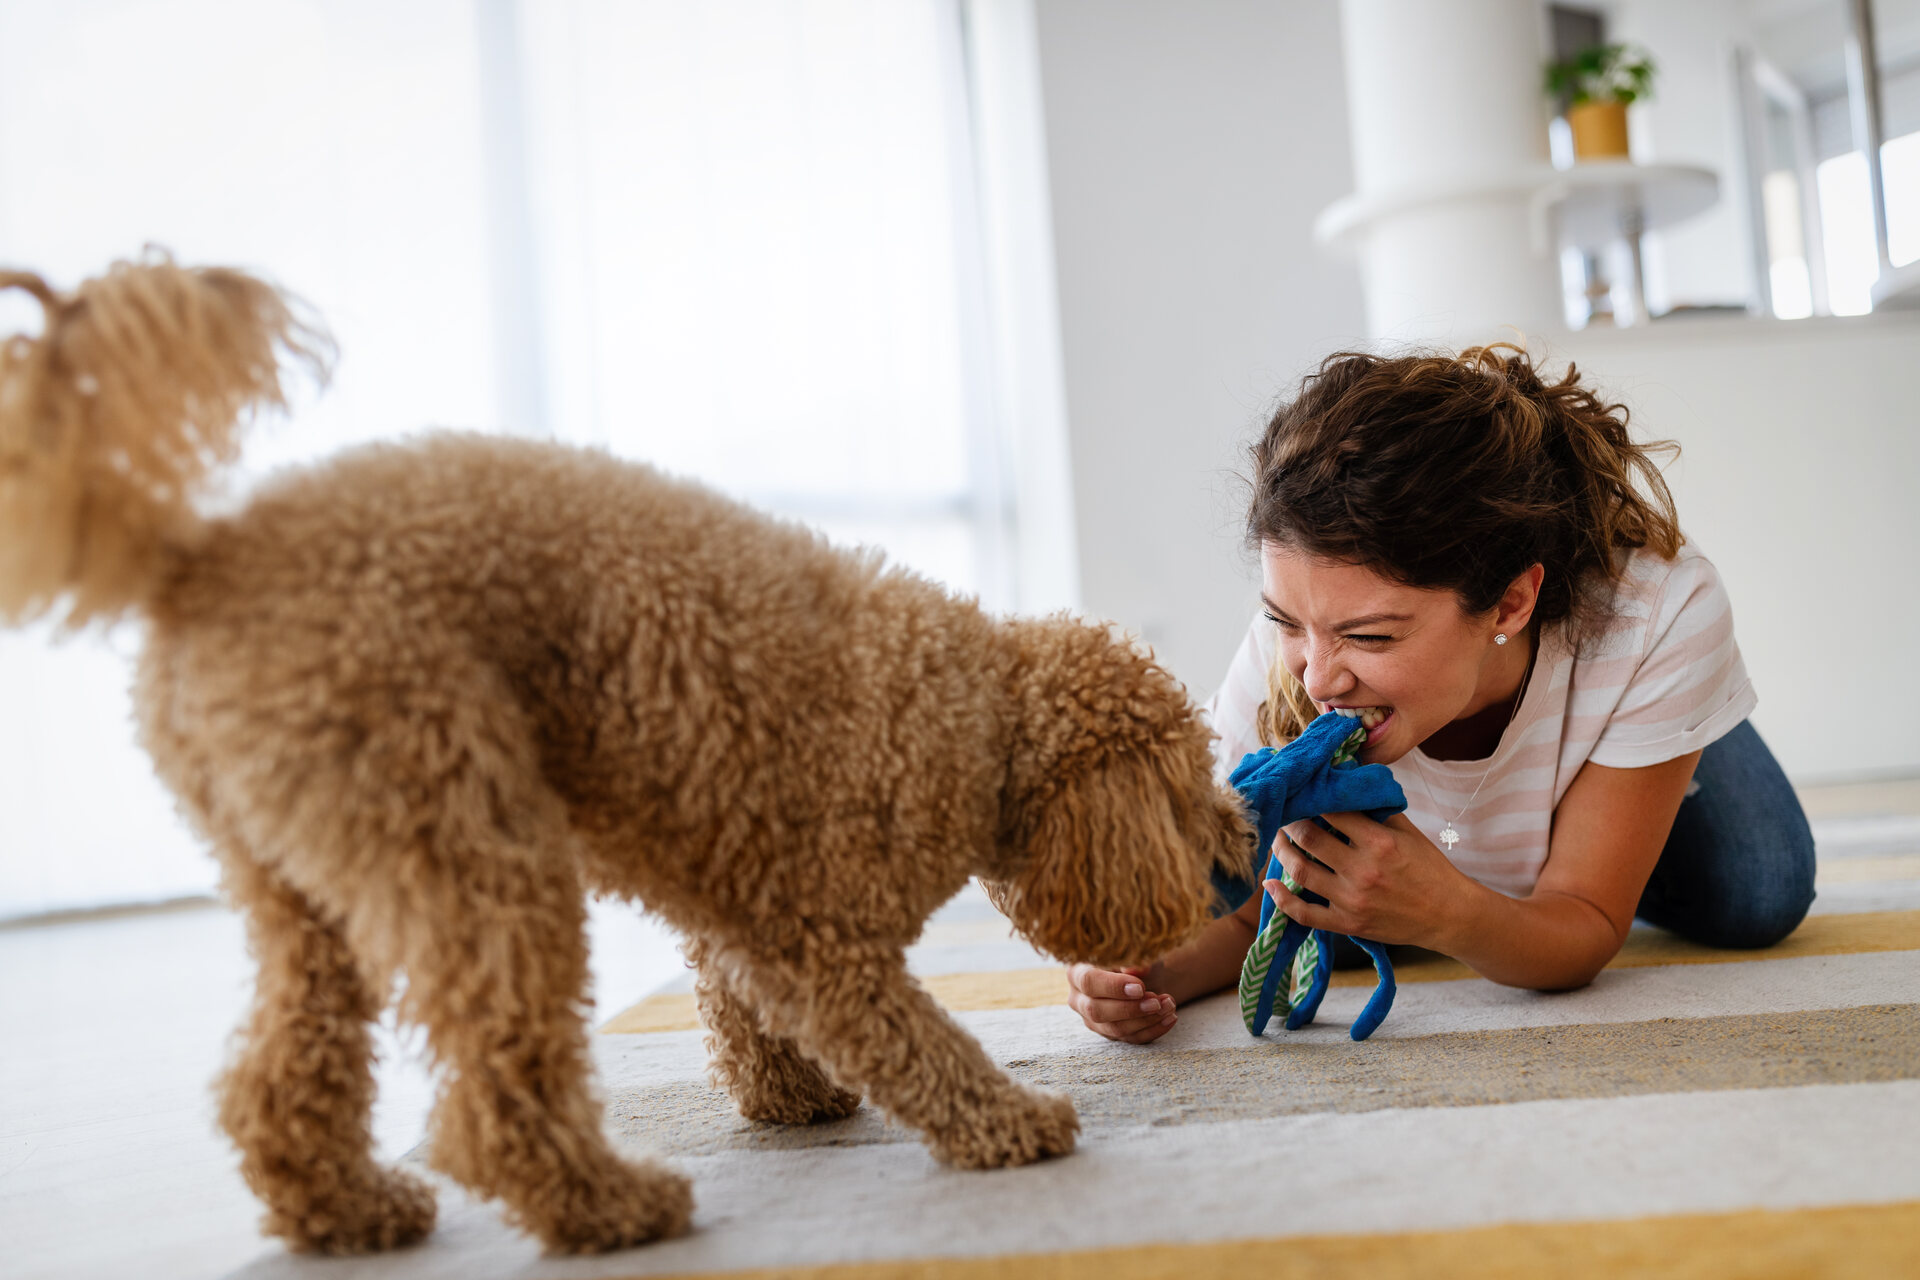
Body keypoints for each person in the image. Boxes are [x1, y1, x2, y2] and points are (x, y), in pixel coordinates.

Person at [1068, 345, 1816, 1044]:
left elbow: (1583, 923)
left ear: (1510, 604)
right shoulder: (1301, 647)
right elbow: (1242, 911)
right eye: (1284, 620)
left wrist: (1452, 912)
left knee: (1760, 890)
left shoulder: (1658, 610)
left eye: (1371, 637)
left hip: (1619, 704)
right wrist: (1147, 971)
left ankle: (1656, 756)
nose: (1319, 678)